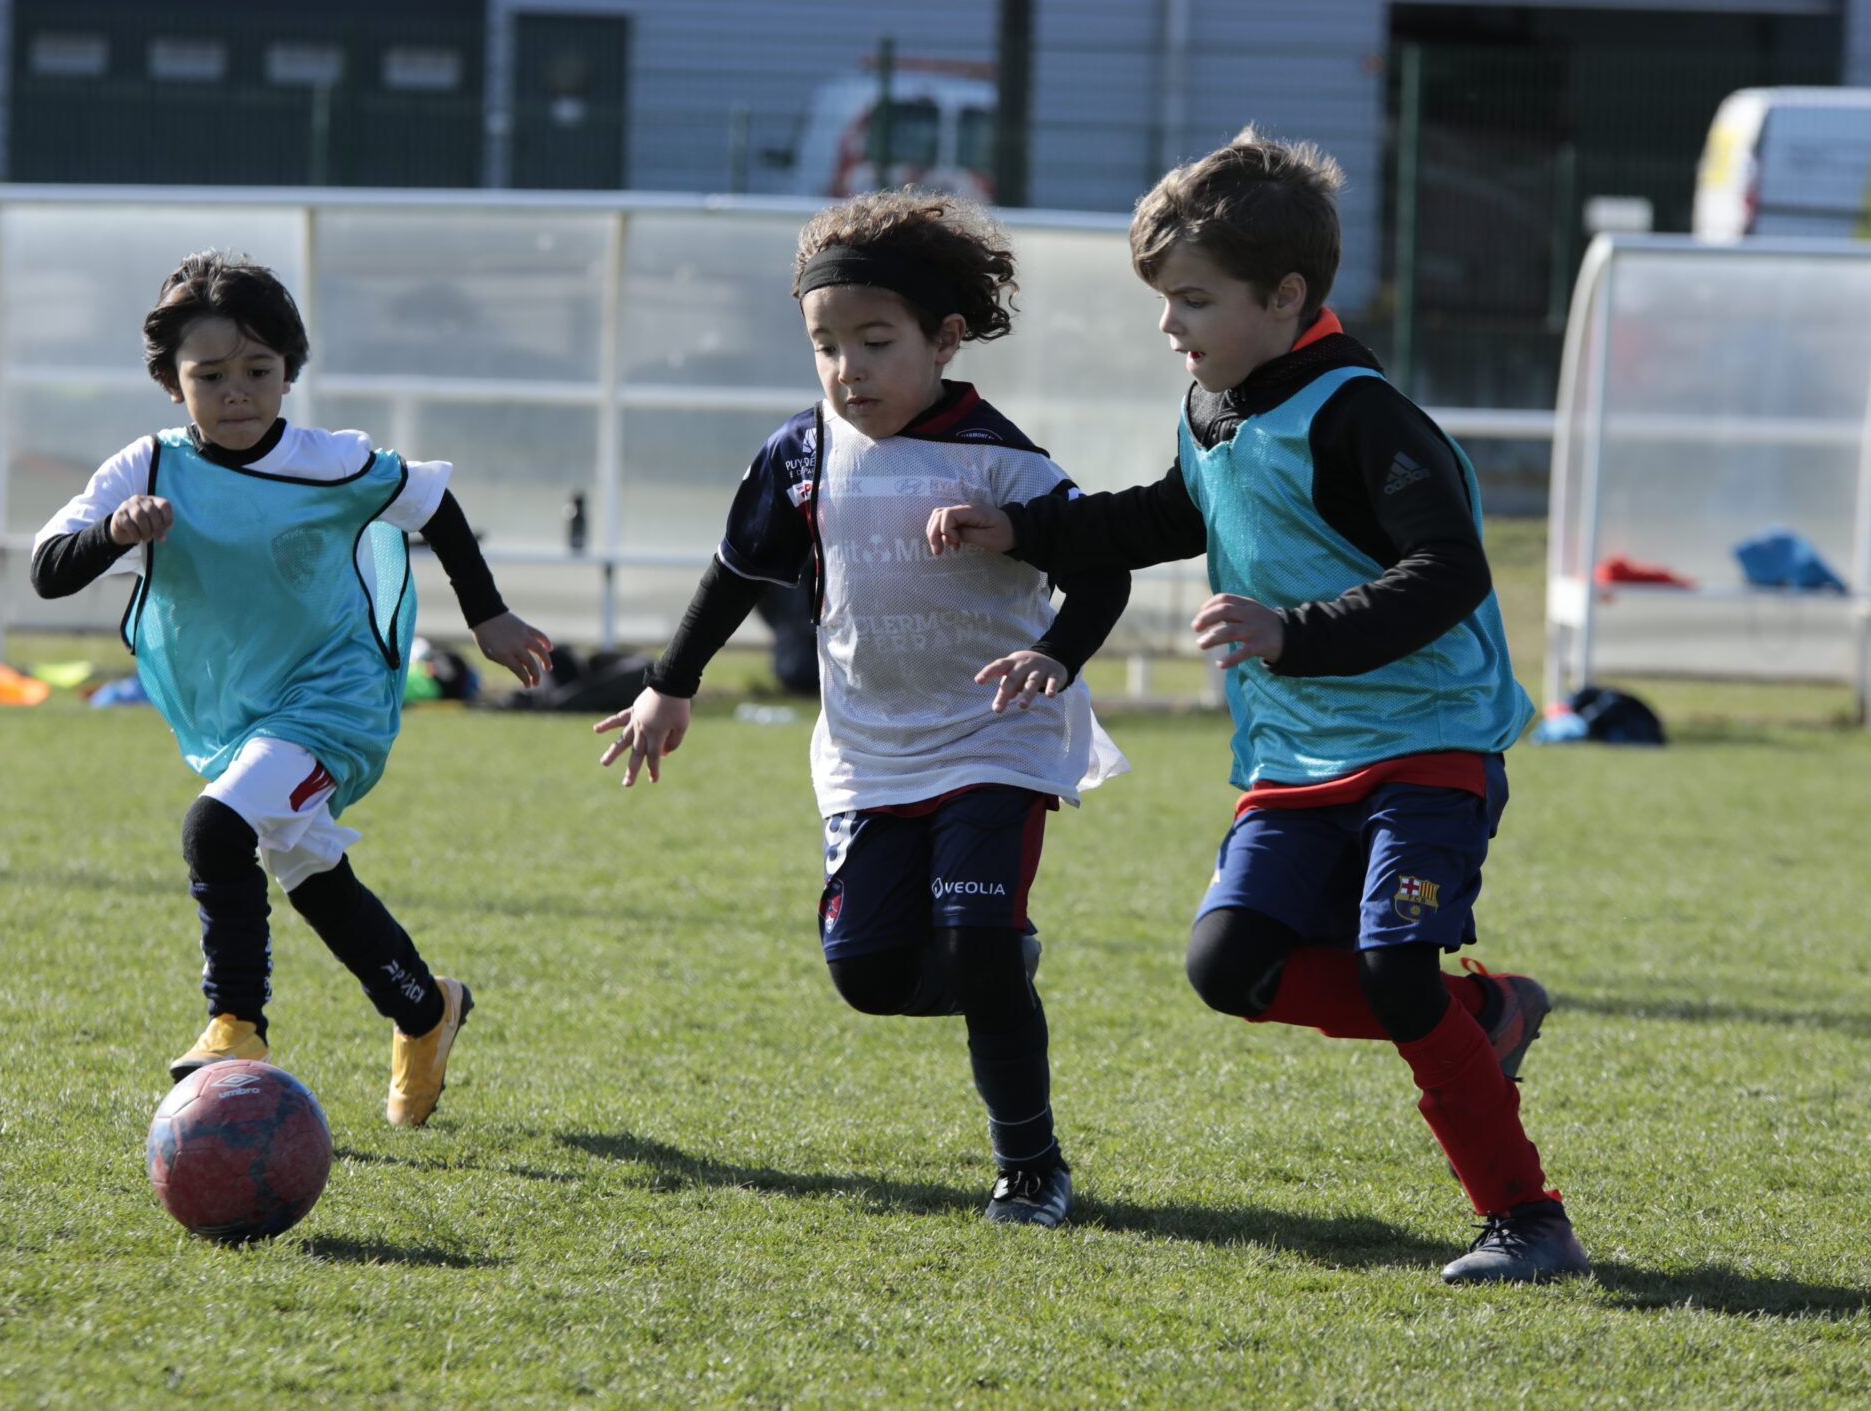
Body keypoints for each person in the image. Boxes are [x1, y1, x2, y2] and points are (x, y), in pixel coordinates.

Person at [924, 130, 1585, 1283]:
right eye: (1164, 302)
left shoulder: (1359, 413)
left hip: (1425, 747)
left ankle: (1528, 1222)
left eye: (1193, 301)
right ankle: (1483, 1021)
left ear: (1286, 298)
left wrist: (1298, 631)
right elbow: (1165, 519)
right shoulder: (1215, 406)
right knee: (1230, 968)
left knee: (1393, 972)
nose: (1170, 329)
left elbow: (1451, 569)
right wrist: (1026, 529)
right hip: (1294, 756)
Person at [595, 191, 1131, 1226]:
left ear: (944, 339)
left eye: (875, 342)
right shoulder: (799, 455)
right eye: (825, 345)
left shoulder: (1004, 460)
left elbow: (1100, 575)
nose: (849, 369)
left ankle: (1030, 1167)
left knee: (973, 935)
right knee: (870, 975)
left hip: (995, 734)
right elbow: (734, 572)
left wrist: (1054, 654)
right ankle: (1000, 965)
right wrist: (671, 681)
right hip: (867, 748)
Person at [31, 251, 554, 1125]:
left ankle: (234, 1021)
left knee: (214, 825)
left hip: (335, 701)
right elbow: (50, 569)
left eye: (259, 371)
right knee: (308, 871)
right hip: (237, 714)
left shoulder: (333, 462)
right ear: (170, 382)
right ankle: (426, 1011)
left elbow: (434, 506)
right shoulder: (147, 470)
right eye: (210, 375)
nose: (237, 391)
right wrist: (116, 533)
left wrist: (488, 616)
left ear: (289, 371)